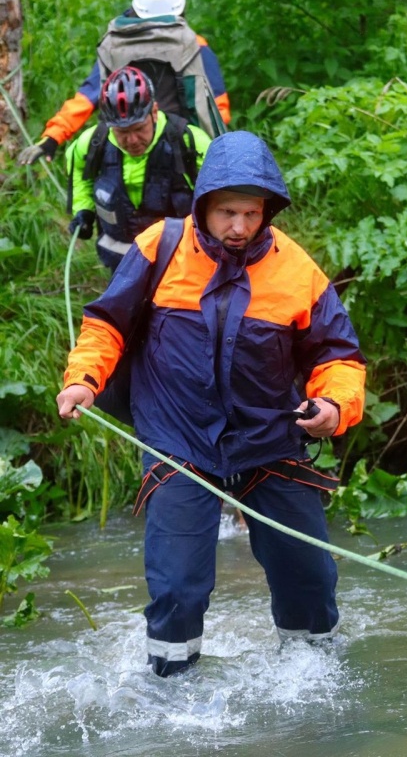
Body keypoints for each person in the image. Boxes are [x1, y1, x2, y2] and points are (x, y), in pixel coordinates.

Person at [56, 130, 367, 678]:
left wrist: (335, 409)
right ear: (203, 206)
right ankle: (170, 695)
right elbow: (107, 324)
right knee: (178, 588)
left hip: (271, 438)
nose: (239, 227)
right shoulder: (160, 245)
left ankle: (314, 681)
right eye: (227, 212)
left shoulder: (299, 272)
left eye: (250, 213)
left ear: (267, 210)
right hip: (179, 442)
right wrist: (83, 379)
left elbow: (339, 356)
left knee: (309, 579)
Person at [18, 0, 230, 166]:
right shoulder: (195, 46)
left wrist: (52, 138)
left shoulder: (114, 46)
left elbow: (85, 98)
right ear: (181, 10)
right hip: (186, 154)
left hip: (124, 152)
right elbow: (218, 110)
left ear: (135, 10)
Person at [66, 65, 211, 272]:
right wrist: (83, 210)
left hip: (180, 263)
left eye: (139, 129)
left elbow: (219, 193)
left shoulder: (190, 141)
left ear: (154, 111)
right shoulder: (92, 143)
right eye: (122, 132)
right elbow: (80, 172)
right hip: (120, 262)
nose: (132, 140)